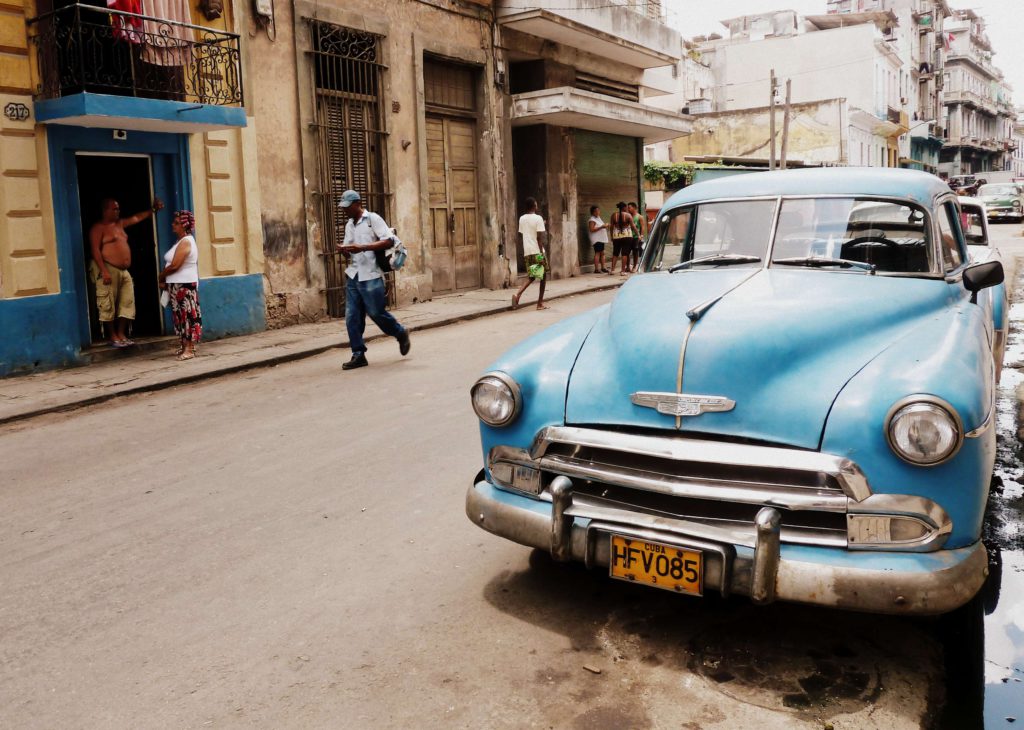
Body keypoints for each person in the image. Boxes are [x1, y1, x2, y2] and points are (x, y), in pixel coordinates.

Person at [336, 189, 410, 371]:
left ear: (357, 204)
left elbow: (389, 241)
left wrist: (362, 247)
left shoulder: (372, 219)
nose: (345, 211)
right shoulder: (349, 225)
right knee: (352, 317)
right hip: (353, 275)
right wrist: (345, 250)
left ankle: (400, 332)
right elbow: (350, 246)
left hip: (371, 275)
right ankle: (358, 354)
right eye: (343, 208)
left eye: (347, 207)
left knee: (376, 313)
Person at [88, 196, 164, 347]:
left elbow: (136, 218)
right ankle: (112, 335)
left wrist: (153, 210)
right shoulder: (98, 228)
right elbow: (95, 250)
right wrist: (104, 270)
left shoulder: (120, 224)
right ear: (105, 210)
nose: (118, 211)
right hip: (109, 269)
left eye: (118, 208)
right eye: (114, 208)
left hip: (124, 271)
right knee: (108, 302)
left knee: (127, 301)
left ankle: (122, 333)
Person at [158, 210, 202, 361]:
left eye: (176, 223)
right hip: (176, 285)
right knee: (179, 317)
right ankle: (184, 346)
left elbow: (175, 265)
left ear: (184, 225)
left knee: (186, 316)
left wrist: (162, 275)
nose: (173, 225)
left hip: (184, 286)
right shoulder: (180, 241)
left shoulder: (186, 242)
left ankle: (189, 349)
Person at [512, 197, 549, 311]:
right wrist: (541, 253)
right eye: (536, 204)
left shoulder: (522, 218)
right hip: (537, 251)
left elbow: (524, 233)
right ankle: (539, 303)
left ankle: (518, 294)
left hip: (527, 251)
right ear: (534, 206)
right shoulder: (538, 218)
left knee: (533, 276)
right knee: (543, 277)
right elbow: (539, 238)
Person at [608, 201, 637, 276]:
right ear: (624, 207)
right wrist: (638, 234)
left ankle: (612, 270)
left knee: (615, 253)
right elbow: (633, 226)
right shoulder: (628, 215)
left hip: (616, 236)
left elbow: (611, 227)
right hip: (627, 236)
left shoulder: (614, 215)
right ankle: (622, 271)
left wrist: (611, 236)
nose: (627, 208)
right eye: (626, 207)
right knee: (625, 253)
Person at [587, 205, 610, 274]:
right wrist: (602, 227)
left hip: (601, 239)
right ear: (592, 212)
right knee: (597, 253)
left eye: (598, 211)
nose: (598, 212)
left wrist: (605, 226)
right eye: (596, 211)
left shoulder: (598, 218)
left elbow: (601, 226)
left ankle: (603, 267)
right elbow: (591, 229)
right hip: (597, 239)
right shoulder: (592, 220)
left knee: (602, 253)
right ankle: (596, 269)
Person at [627, 202, 646, 272]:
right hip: (628, 236)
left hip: (635, 237)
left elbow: (643, 227)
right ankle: (628, 267)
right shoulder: (628, 216)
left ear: (634, 208)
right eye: (628, 208)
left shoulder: (639, 217)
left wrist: (641, 235)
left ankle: (634, 266)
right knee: (626, 252)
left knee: (635, 252)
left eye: (629, 207)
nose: (628, 209)